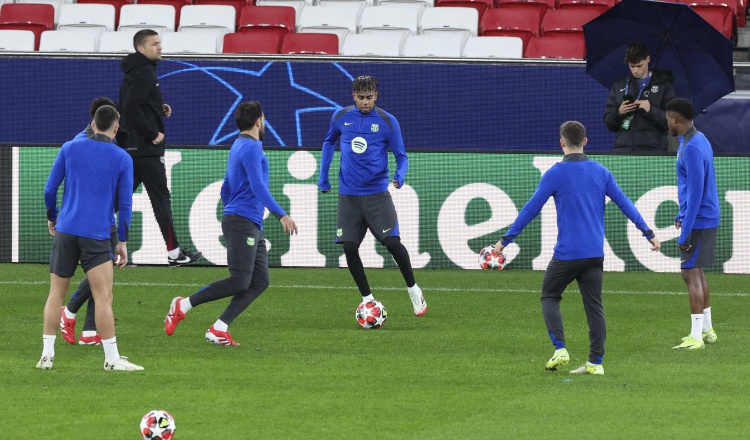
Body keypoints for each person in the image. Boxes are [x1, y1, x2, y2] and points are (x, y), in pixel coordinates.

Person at [495, 121, 661, 375]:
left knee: (549, 296)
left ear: (561, 142)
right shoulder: (601, 172)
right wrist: (647, 232)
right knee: (594, 306)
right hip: (595, 253)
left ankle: (560, 348)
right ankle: (595, 363)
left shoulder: (555, 173)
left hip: (567, 254)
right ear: (586, 141)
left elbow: (531, 209)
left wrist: (505, 241)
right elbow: (625, 202)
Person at [164, 102, 297, 346]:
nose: (264, 123)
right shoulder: (252, 148)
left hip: (247, 221)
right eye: (263, 119)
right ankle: (182, 305)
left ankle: (219, 327)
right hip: (243, 222)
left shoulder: (239, 144)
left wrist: (234, 209)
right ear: (258, 121)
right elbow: (258, 188)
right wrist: (281, 215)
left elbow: (227, 185)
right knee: (239, 281)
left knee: (260, 281)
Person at [39, 105, 143, 371]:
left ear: (93, 124)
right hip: (96, 235)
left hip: (66, 230)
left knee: (55, 295)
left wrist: (54, 217)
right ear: (116, 128)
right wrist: (122, 240)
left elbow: (49, 189)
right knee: (103, 297)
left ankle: (47, 355)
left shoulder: (70, 147)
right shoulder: (122, 158)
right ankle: (111, 359)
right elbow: (126, 204)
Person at [318, 75, 427, 317]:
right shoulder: (340, 117)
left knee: (392, 243)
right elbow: (328, 142)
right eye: (360, 98)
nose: (364, 103)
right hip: (349, 195)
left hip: (377, 194)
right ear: (353, 96)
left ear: (376, 96)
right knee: (348, 246)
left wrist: (401, 174)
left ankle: (413, 289)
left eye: (369, 98)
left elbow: (402, 155)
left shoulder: (388, 121)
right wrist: (323, 175)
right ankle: (367, 299)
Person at [119, 28, 202, 266]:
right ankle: (174, 253)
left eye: (159, 42)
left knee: (117, 200)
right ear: (141, 48)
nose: (160, 47)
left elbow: (131, 104)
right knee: (160, 200)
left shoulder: (134, 71)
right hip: (146, 150)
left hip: (131, 148)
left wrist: (157, 108)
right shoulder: (145, 73)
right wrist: (153, 132)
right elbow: (131, 107)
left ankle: (82, 238)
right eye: (154, 43)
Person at [60, 97, 122, 346]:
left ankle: (88, 331)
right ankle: (70, 311)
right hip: (90, 222)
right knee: (102, 272)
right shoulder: (80, 144)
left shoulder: (96, 142)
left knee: (102, 278)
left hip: (103, 217)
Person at [666, 98, 721, 350]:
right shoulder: (698, 140)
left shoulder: (691, 148)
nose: (667, 122)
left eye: (668, 118)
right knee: (697, 272)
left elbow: (697, 193)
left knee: (689, 274)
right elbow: (693, 190)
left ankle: (696, 336)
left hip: (700, 220)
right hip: (701, 216)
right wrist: (682, 211)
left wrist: (685, 233)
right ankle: (707, 330)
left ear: (675, 119)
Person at [603, 42, 678, 153]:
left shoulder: (664, 85)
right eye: (631, 66)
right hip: (623, 149)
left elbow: (673, 121)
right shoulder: (619, 85)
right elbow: (609, 123)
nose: (635, 71)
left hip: (653, 151)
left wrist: (651, 110)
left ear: (647, 59)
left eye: (639, 66)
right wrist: (619, 112)